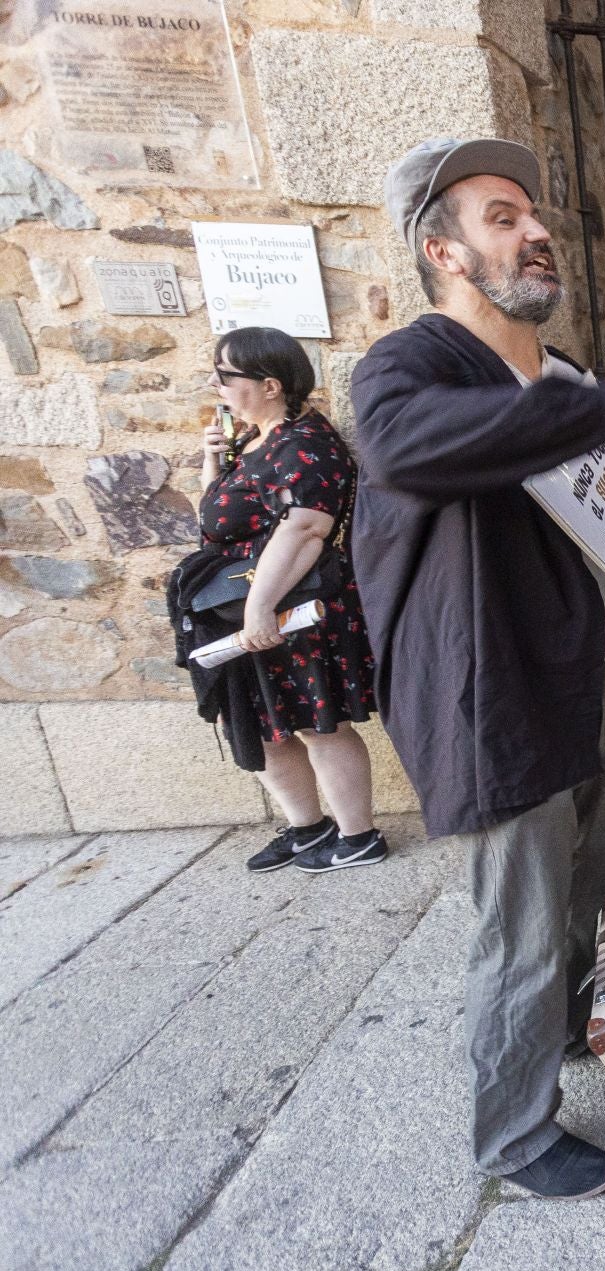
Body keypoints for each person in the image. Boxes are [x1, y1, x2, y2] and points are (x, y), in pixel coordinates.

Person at [351, 137, 605, 1200]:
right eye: (502, 217)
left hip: (582, 672)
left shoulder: (559, 376)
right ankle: (511, 1135)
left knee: (584, 880)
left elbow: (577, 518)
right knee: (523, 923)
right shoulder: (408, 366)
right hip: (494, 694)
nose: (537, 229)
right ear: (445, 252)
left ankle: (555, 1034)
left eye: (533, 213)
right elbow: (410, 448)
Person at [172, 327, 382, 875]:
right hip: (237, 602)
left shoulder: (306, 444)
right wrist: (213, 461)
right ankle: (308, 827)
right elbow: (219, 518)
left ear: (270, 385)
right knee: (261, 720)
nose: (215, 384)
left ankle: (359, 837)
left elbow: (306, 530)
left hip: (292, 607)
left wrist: (259, 608)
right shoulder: (252, 438)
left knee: (318, 723)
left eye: (225, 375)